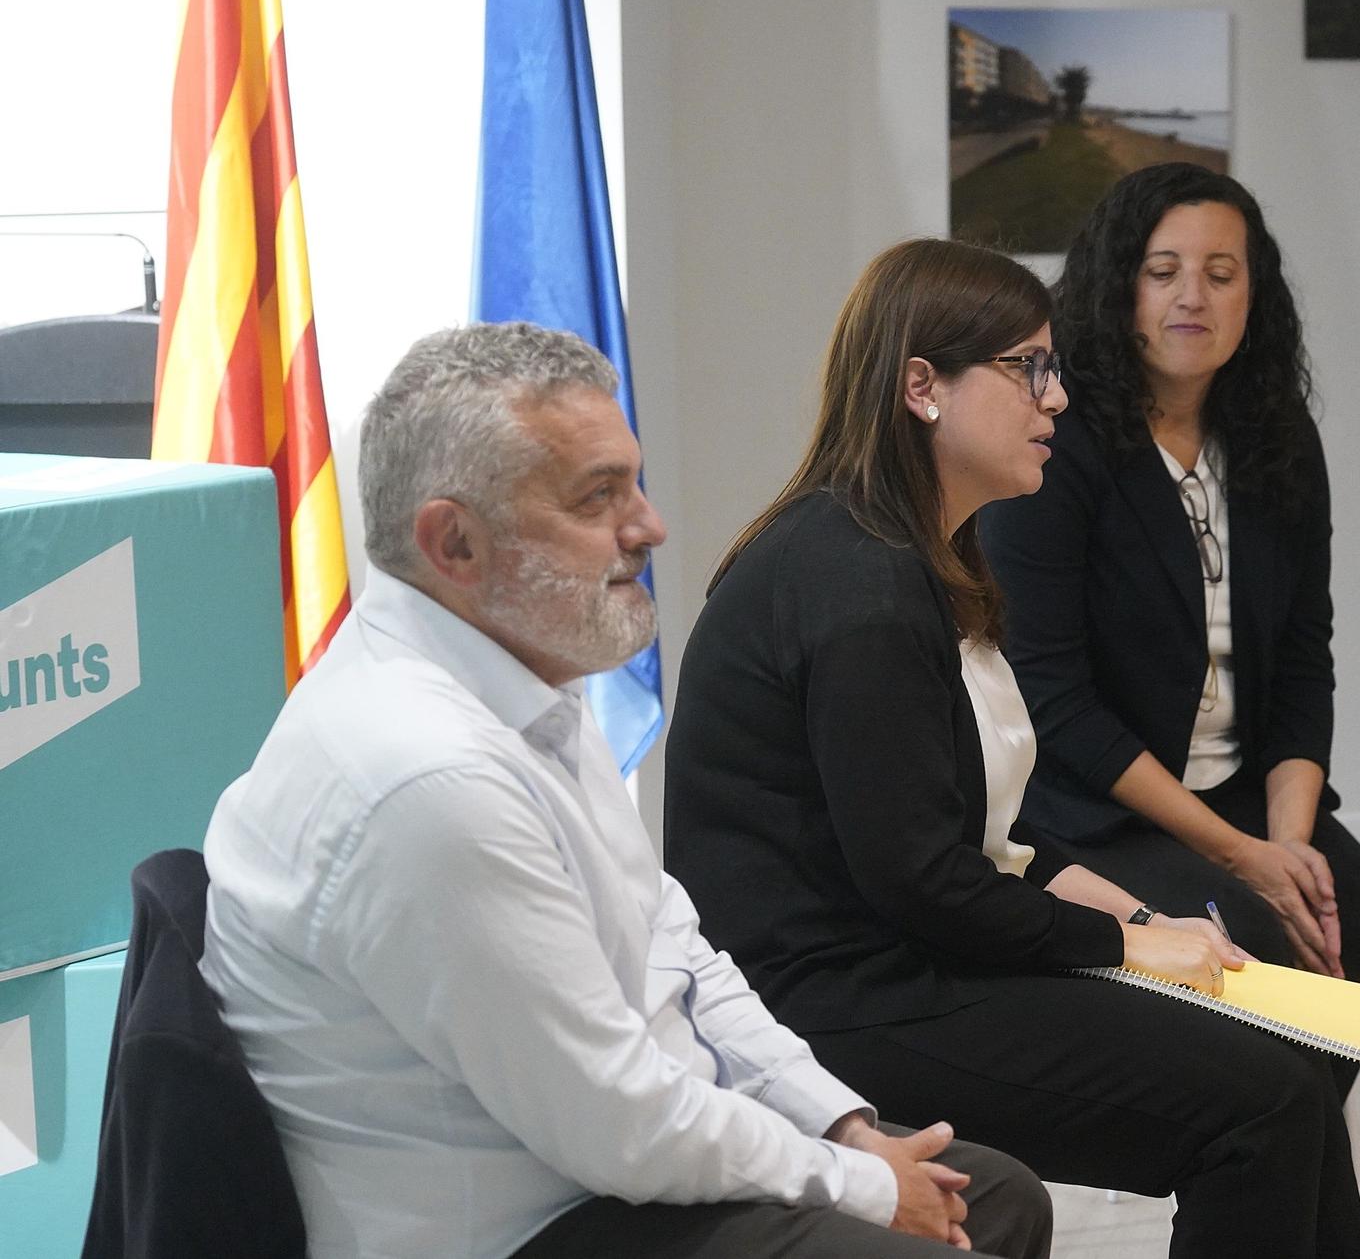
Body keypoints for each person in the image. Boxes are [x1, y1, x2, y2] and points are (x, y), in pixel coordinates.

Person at [199, 322, 1053, 1259]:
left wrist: (845, 1127)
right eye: (598, 496)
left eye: (633, 482)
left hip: (593, 1171)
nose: (649, 525)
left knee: (995, 1197)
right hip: (526, 1225)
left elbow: (673, 947)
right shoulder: (426, 776)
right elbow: (619, 1123)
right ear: (453, 541)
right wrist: (861, 1187)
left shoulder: (522, 683)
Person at [664, 239, 1360, 1258]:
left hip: (903, 956)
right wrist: (1137, 948)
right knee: (1256, 1103)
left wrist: (1147, 919)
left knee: (1288, 1050)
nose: (1055, 401)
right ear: (922, 387)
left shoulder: (916, 551)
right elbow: (926, 882)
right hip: (833, 1004)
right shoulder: (858, 588)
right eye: (1027, 369)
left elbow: (992, 835)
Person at [979, 163, 1360, 1093]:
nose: (1193, 295)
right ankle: (1266, 1163)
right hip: (1099, 809)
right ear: (1118, 287)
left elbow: (1305, 655)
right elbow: (1057, 703)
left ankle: (1272, 1160)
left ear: (1254, 296)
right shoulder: (1058, 444)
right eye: (1164, 269)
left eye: (1222, 273)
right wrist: (1242, 859)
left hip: (1248, 797)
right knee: (1260, 960)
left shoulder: (1277, 435)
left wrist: (1289, 847)